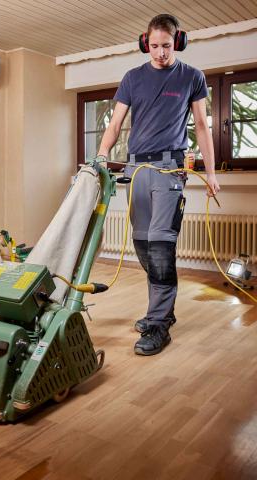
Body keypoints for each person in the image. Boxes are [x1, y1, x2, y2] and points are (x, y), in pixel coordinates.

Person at [97, 13, 220, 356]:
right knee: (142, 244)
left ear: (177, 41)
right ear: (144, 43)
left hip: (170, 169)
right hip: (136, 170)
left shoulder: (191, 77)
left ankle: (158, 322)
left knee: (162, 247)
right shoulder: (133, 78)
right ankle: (162, 310)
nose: (161, 52)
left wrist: (211, 173)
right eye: (154, 46)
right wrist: (101, 156)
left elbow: (201, 125)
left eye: (166, 46)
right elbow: (116, 122)